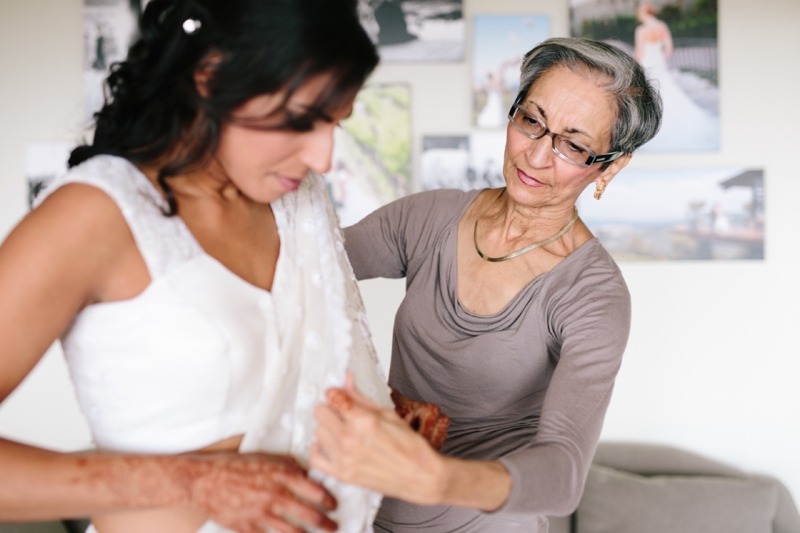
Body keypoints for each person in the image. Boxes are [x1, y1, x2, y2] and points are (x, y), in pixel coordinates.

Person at [0, 1, 394, 532]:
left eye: (335, 124)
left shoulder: (296, 200)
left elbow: (297, 371)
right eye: (302, 120)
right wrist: (195, 482)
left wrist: (385, 409)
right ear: (211, 76)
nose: (322, 158)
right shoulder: (96, 216)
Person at [310, 37, 663, 532]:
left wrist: (434, 478)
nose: (537, 155)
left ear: (609, 166)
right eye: (532, 120)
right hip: (367, 510)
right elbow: (303, 267)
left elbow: (562, 475)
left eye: (574, 145)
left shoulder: (592, 295)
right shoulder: (429, 217)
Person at [634, 1, 717, 151]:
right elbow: (669, 47)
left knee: (650, 93)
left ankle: (651, 124)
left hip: (647, 64)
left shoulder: (641, 30)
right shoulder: (662, 26)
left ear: (643, 13)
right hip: (659, 64)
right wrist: (662, 60)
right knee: (667, 92)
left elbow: (639, 52)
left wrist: (635, 67)